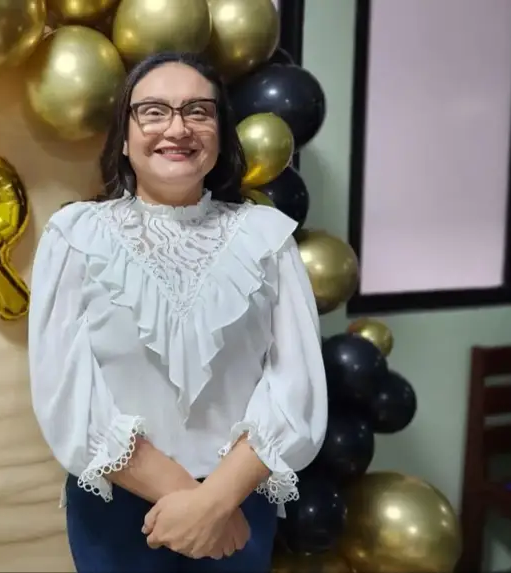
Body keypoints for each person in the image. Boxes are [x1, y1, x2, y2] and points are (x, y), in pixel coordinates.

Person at [28, 51, 328, 573]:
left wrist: (217, 501)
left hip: (239, 502)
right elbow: (66, 395)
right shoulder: (74, 236)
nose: (177, 127)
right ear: (124, 137)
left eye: (198, 111)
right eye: (153, 111)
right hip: (117, 506)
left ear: (221, 133)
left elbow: (295, 386)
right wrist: (194, 503)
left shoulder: (268, 237)